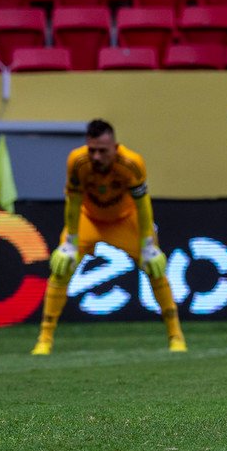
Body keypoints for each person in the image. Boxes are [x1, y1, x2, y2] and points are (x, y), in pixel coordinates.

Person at [31, 119, 188, 355]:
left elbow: (143, 204)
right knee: (62, 267)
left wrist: (148, 245)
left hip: (125, 220)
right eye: (92, 150)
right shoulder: (77, 161)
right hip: (89, 219)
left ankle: (176, 335)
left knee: (154, 267)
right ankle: (44, 339)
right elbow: (73, 202)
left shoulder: (132, 163)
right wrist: (70, 242)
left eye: (102, 151)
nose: (96, 156)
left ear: (115, 147)